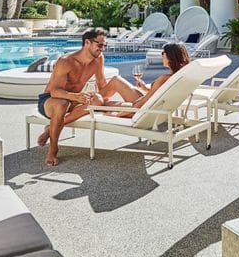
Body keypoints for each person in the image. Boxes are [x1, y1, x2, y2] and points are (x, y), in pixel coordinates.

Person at [36, 28, 111, 166]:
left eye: (104, 45)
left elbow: (102, 84)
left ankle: (50, 131)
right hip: (50, 100)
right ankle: (53, 150)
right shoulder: (66, 61)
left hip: (73, 99)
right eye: (100, 45)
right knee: (62, 104)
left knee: (97, 100)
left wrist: (104, 102)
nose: (102, 49)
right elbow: (54, 91)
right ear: (87, 42)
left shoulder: (98, 59)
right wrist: (75, 97)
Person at [103, 42, 190, 118]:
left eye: (163, 53)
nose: (162, 55)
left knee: (115, 82)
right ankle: (96, 99)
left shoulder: (164, 79)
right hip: (155, 108)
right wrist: (145, 89)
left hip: (145, 110)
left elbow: (142, 103)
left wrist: (117, 115)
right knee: (108, 102)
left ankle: (94, 100)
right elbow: (160, 93)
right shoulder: (180, 76)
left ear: (171, 57)